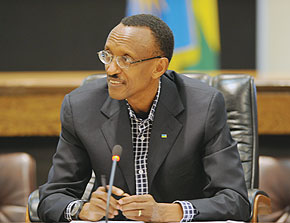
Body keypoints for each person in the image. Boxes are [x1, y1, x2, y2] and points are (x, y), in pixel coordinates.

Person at [38, 14, 250, 222]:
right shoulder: (81, 107)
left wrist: (170, 212)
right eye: (108, 56)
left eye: (126, 59)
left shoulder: (203, 107)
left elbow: (235, 200)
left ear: (159, 68)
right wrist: (82, 209)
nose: (111, 69)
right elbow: (51, 198)